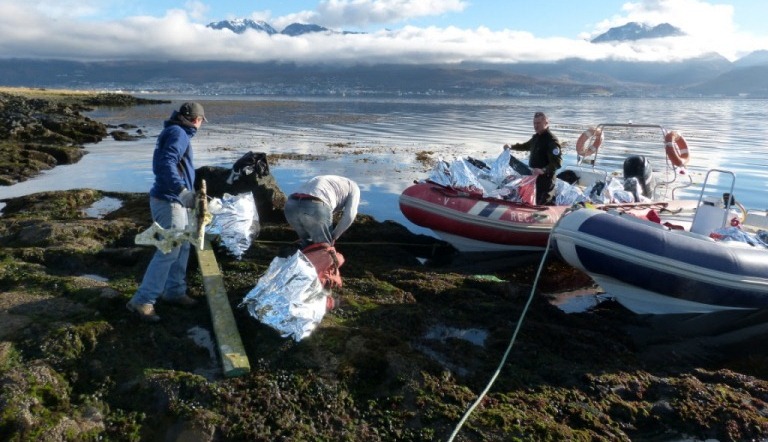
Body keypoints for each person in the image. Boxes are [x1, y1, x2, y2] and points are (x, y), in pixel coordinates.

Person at [126, 102, 207, 322]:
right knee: (169, 250)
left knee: (182, 248)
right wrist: (182, 192)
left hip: (173, 200)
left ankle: (174, 292)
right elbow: (165, 164)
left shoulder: (176, 132)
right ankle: (143, 300)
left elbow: (171, 164)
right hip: (169, 201)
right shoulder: (178, 133)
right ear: (196, 120)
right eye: (201, 121)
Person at [284, 175, 360, 248]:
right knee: (322, 248)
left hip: (291, 205)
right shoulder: (354, 187)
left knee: (306, 244)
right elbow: (350, 215)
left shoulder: (331, 181)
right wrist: (334, 236)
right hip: (315, 204)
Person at [504, 111, 563, 205]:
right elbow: (525, 146)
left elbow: (557, 163)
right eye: (534, 123)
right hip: (533, 177)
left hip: (545, 180)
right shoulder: (536, 138)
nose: (536, 126)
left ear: (546, 123)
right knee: (529, 202)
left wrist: (543, 170)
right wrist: (511, 146)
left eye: (538, 123)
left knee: (541, 203)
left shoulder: (551, 141)